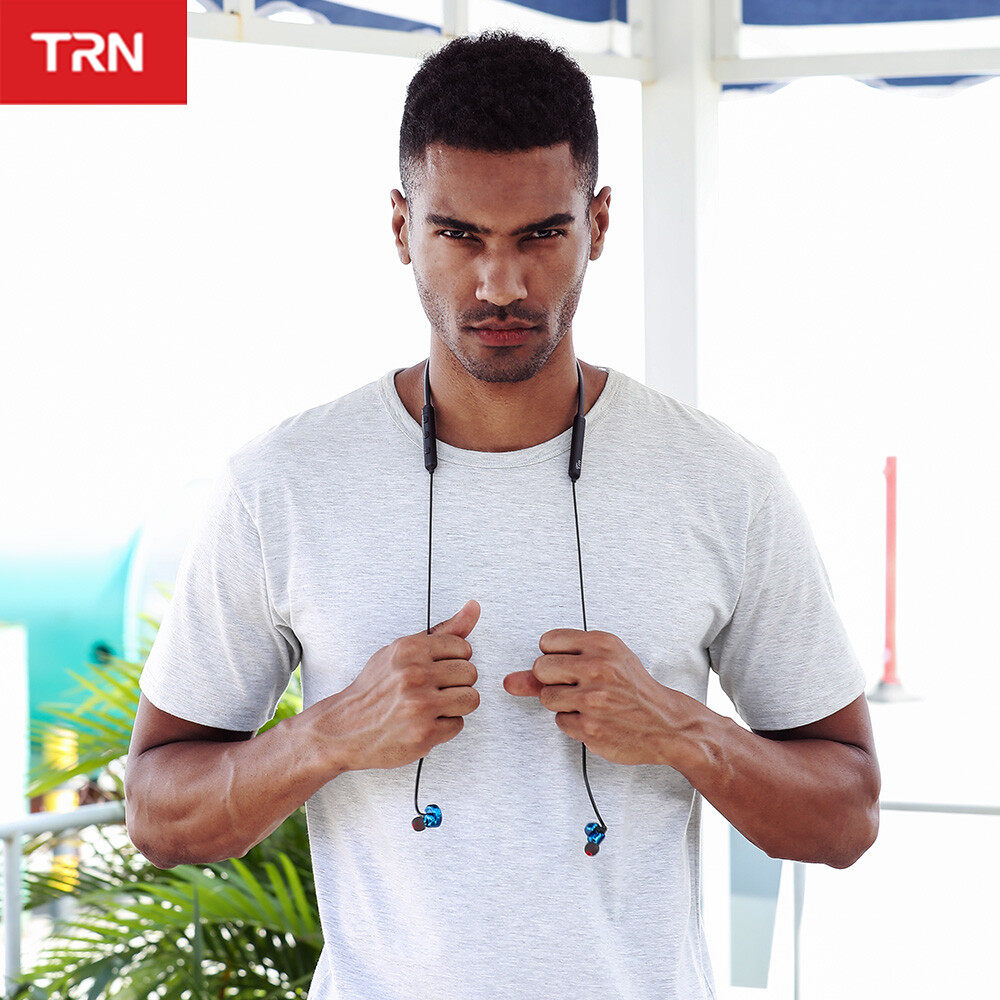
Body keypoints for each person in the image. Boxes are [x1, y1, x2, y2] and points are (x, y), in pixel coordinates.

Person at [125, 28, 880, 1000]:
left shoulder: (725, 481)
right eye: (460, 236)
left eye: (540, 236)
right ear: (400, 226)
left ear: (597, 223)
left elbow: (847, 816)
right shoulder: (280, 483)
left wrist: (680, 729)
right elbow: (158, 815)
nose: (501, 285)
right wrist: (329, 735)